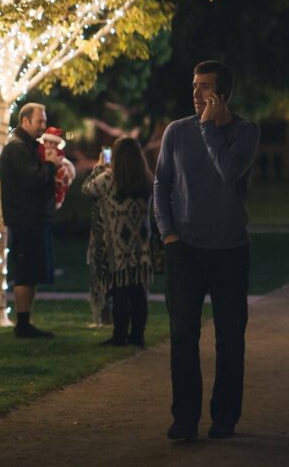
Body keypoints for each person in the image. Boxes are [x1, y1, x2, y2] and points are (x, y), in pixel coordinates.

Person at [154, 61, 259, 441]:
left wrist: (209, 129)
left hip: (231, 251)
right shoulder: (176, 132)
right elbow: (161, 184)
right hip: (185, 250)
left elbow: (228, 171)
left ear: (224, 94)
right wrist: (167, 233)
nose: (197, 94)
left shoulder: (246, 131)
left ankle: (224, 419)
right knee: (183, 336)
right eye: (195, 85)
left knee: (230, 338)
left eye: (206, 87)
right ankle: (184, 420)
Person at [81, 137, 154, 347]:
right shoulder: (146, 179)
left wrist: (98, 168)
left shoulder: (106, 180)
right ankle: (137, 335)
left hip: (116, 246)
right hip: (140, 246)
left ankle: (119, 335)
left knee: (120, 291)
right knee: (138, 291)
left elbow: (86, 189)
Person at [0, 102, 60, 338]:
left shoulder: (28, 146)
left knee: (33, 270)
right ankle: (22, 325)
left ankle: (26, 322)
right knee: (26, 270)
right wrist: (51, 166)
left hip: (34, 218)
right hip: (25, 219)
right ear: (25, 121)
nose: (43, 126)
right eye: (39, 121)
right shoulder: (17, 148)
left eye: (44, 121)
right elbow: (32, 180)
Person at [37, 127, 77, 286]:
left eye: (53, 143)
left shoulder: (61, 161)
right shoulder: (37, 156)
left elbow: (65, 179)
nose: (50, 146)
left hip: (51, 198)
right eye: (47, 142)